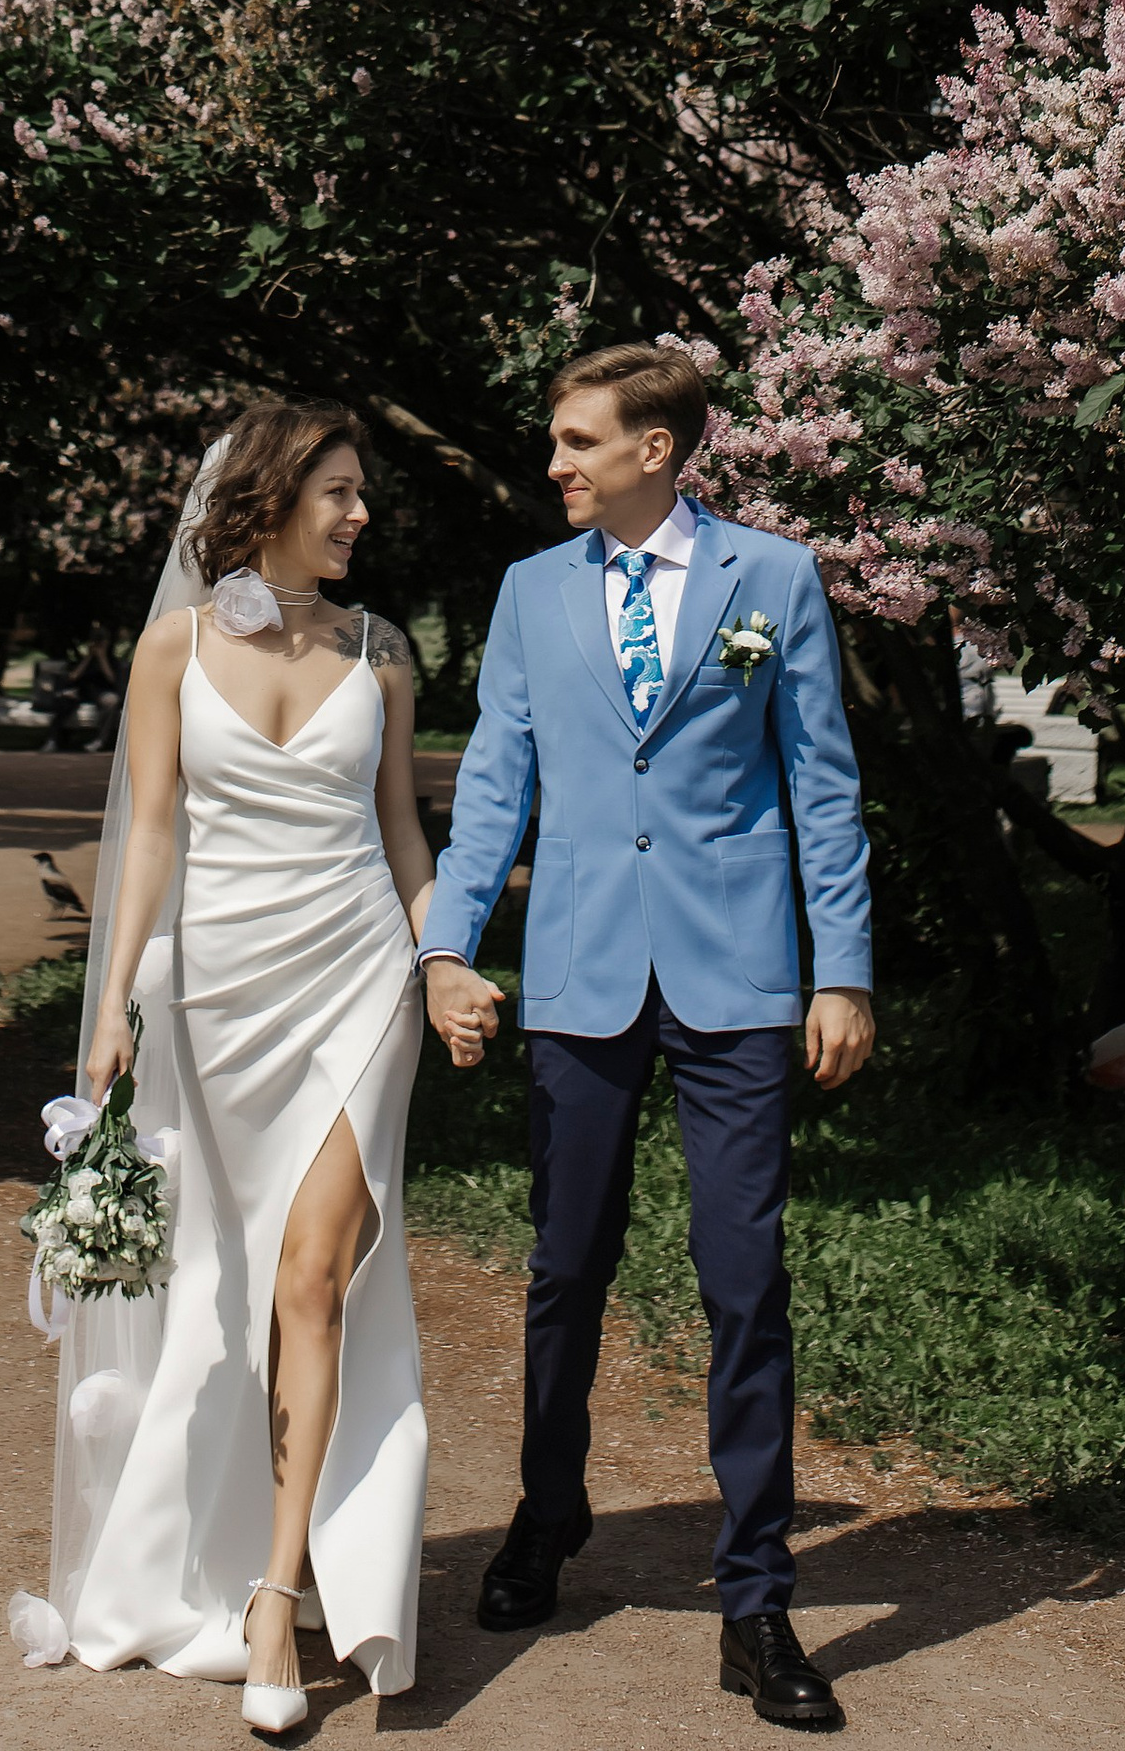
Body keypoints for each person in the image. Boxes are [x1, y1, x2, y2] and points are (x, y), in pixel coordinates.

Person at [417, 345, 875, 1736]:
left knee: (746, 1282)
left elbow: (824, 788)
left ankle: (755, 1600)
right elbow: (496, 780)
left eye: (576, 441)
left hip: (739, 978)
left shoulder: (772, 580)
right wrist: (447, 948)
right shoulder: (530, 591)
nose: (554, 463)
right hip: (579, 974)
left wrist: (841, 971)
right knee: (565, 1268)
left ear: (658, 449)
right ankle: (546, 1516)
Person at [50, 400, 451, 1723]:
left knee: (312, 1277)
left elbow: (403, 837)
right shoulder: (171, 649)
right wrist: (112, 1005)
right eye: (337, 492)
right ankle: (218, 1549)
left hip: (357, 985)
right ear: (271, 499)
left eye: (360, 494)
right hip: (218, 993)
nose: (359, 515)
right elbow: (149, 838)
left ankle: (278, 1599)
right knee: (224, 1283)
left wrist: (440, 963)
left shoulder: (381, 652)